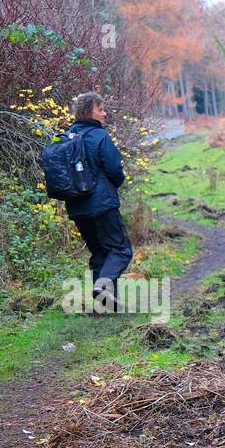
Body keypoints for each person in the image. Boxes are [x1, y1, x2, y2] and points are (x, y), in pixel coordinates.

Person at [65, 91, 133, 311]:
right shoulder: (99, 137)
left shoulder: (67, 138)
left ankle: (105, 305)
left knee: (100, 252)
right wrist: (116, 183)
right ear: (88, 112)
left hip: (77, 207)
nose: (105, 113)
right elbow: (114, 169)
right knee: (121, 250)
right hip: (102, 204)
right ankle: (103, 289)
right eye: (100, 109)